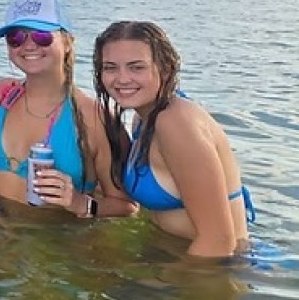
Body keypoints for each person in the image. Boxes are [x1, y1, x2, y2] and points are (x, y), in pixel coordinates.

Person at [94, 21, 253, 257]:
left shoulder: (176, 124)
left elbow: (219, 241)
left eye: (136, 67)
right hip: (171, 253)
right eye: (110, 67)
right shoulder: (144, 118)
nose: (122, 79)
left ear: (165, 69)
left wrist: (172, 285)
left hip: (212, 268)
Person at [0, 0, 135, 219]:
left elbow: (127, 206)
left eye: (42, 36)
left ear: (67, 42)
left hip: (55, 243)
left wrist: (80, 203)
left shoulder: (95, 119)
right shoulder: (1, 96)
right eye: (15, 37)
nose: (29, 45)